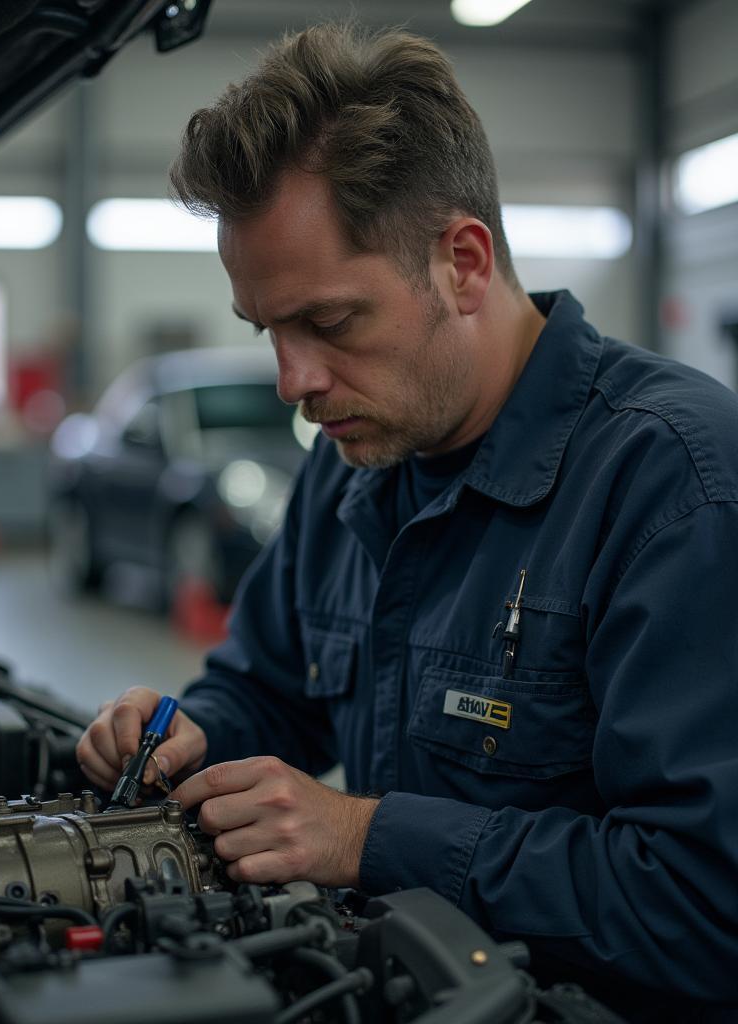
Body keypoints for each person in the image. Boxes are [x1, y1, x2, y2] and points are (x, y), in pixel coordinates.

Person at [76, 23, 738, 1020]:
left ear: (462, 262)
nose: (294, 382)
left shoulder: (672, 483)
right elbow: (266, 687)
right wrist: (187, 736)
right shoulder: (353, 467)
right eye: (269, 332)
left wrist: (366, 836)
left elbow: (704, 903)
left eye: (331, 323)